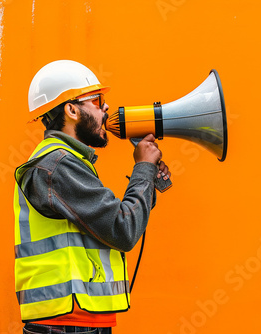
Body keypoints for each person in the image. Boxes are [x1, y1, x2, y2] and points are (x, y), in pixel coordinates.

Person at [13, 60, 171, 334]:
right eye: (97, 101)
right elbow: (123, 229)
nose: (107, 108)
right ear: (72, 110)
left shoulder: (66, 162)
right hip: (68, 324)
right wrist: (143, 169)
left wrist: (146, 178)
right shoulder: (57, 166)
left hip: (79, 320)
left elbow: (117, 224)